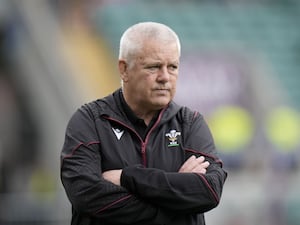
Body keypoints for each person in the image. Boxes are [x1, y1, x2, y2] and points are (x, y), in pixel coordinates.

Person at [60, 21, 227, 225]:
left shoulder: (190, 123)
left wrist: (128, 178)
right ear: (124, 69)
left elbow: (209, 190)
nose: (165, 77)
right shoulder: (90, 121)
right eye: (154, 67)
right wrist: (175, 201)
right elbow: (87, 195)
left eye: (173, 67)